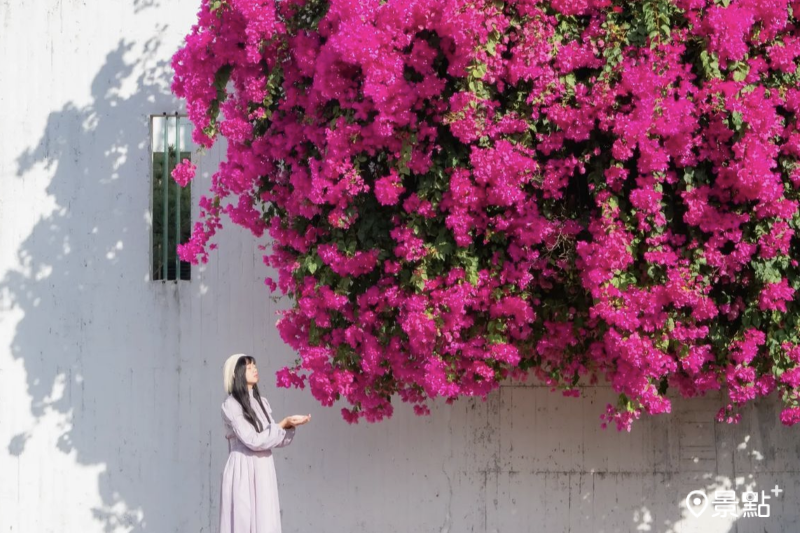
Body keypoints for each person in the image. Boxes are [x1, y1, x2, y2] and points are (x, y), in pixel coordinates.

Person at [219, 353, 311, 533]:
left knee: (265, 520)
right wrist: (281, 424)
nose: (254, 369)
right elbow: (253, 440)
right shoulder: (231, 405)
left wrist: (289, 426)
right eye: (248, 366)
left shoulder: (262, 402)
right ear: (235, 373)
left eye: (255, 365)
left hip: (263, 467)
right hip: (243, 468)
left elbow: (272, 439)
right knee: (243, 520)